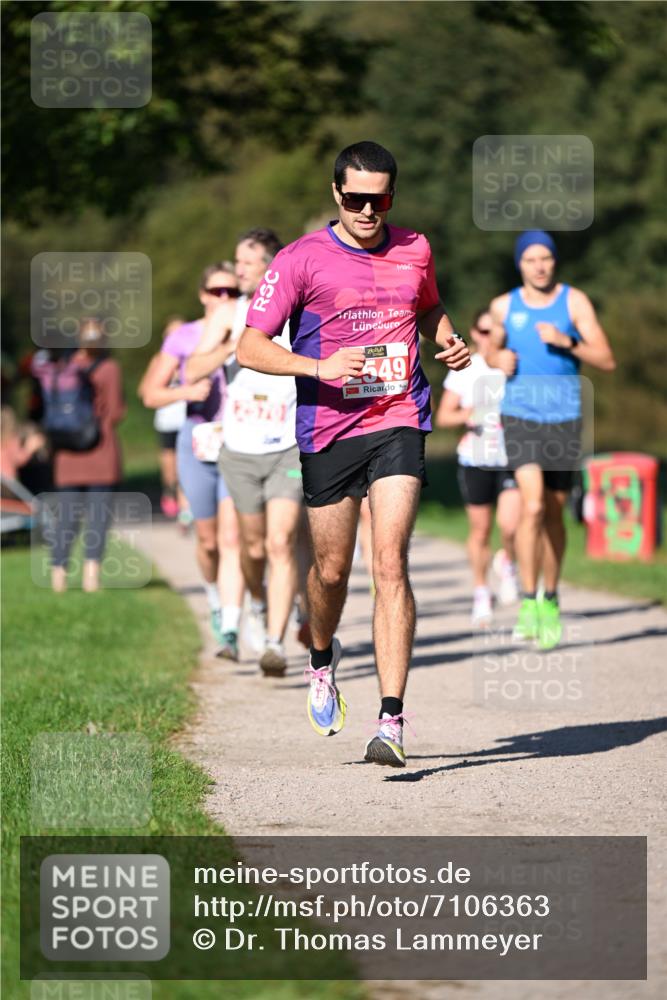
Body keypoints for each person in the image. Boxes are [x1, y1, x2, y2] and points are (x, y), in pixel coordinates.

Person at [234, 140, 470, 766]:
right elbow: (250, 347)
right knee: (332, 571)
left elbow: (430, 307)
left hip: (400, 416)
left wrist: (448, 340)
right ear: (337, 194)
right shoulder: (300, 259)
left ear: (393, 195)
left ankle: (391, 722)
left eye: (381, 198)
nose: (369, 210)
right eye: (357, 198)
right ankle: (321, 655)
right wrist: (318, 364)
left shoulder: (415, 248)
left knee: (389, 561)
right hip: (328, 429)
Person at [486, 230, 616, 649]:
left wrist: (567, 342)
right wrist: (497, 358)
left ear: (554, 262)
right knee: (534, 504)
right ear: (519, 264)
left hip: (564, 418)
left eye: (546, 259)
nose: (539, 266)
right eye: (531, 259)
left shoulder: (574, 302)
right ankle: (528, 600)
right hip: (520, 415)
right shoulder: (504, 306)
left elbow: (607, 359)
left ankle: (552, 597)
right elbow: (487, 349)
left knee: (555, 515)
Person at [186, 229, 303, 677]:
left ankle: (274, 643)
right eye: (237, 262)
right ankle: (256, 602)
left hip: (286, 448)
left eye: (247, 263)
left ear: (272, 266)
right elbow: (193, 368)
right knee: (252, 546)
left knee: (279, 541)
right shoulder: (230, 313)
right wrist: (233, 342)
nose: (238, 271)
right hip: (239, 450)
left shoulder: (298, 311)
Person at [140, 264, 245, 659]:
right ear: (202, 295)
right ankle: (216, 598)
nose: (224, 299)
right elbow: (149, 393)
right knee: (207, 539)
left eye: (232, 292)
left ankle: (235, 621)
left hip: (240, 442)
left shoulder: (253, 329)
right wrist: (185, 391)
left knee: (233, 536)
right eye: (217, 291)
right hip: (198, 441)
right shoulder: (184, 336)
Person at [435, 308, 520, 625]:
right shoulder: (465, 368)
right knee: (481, 530)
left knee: (511, 526)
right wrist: (467, 413)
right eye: (483, 332)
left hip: (511, 456)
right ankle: (481, 591)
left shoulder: (513, 363)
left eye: (494, 331)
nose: (489, 338)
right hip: (476, 457)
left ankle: (508, 562)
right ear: (473, 333)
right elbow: (444, 416)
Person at [32, 321, 126, 592]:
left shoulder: (61, 367)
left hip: (66, 453)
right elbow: (116, 411)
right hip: (101, 450)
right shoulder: (110, 368)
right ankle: (91, 577)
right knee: (98, 517)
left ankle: (58, 576)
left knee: (67, 517)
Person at [138, 317, 190, 522]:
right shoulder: (159, 360)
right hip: (167, 421)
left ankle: (186, 509)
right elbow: (144, 391)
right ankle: (170, 493)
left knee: (187, 467)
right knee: (170, 470)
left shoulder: (195, 357)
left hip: (189, 420)